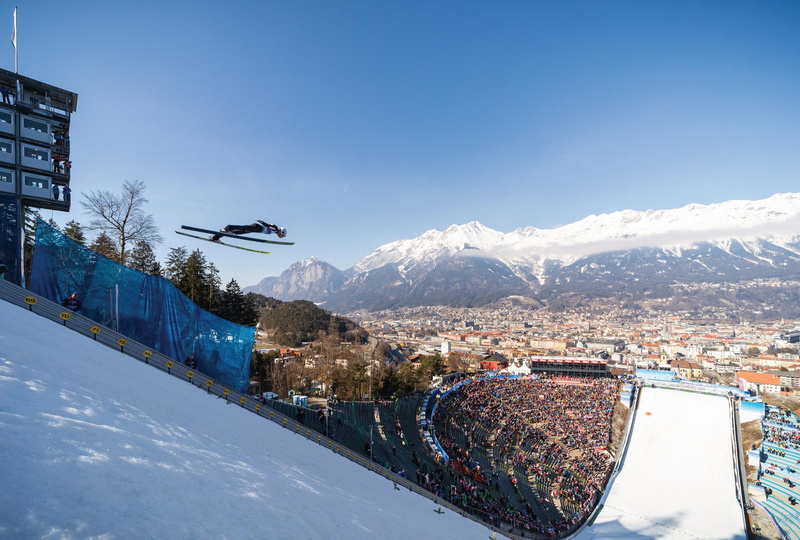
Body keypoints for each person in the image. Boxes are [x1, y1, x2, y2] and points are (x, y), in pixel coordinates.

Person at [210, 220, 286, 242]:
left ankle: (215, 237)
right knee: (241, 228)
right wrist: (261, 222)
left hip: (256, 230)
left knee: (235, 233)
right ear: (281, 232)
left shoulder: (275, 231)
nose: (281, 237)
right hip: (257, 227)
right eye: (282, 235)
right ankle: (227, 228)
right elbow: (268, 226)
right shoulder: (275, 229)